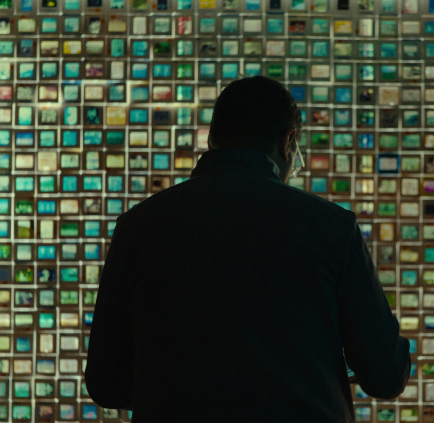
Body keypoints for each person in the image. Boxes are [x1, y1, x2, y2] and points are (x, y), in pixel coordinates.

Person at [85, 76, 411, 422]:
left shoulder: (138, 227)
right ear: (288, 141)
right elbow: (386, 375)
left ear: (211, 140)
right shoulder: (332, 227)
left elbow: (106, 383)